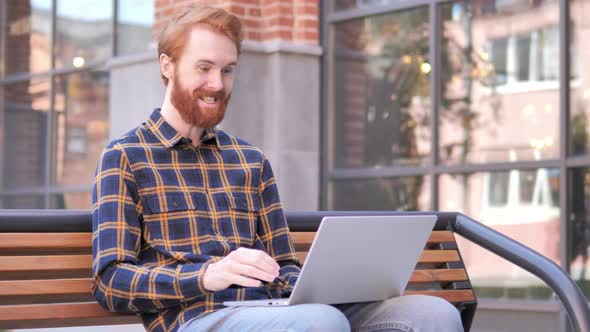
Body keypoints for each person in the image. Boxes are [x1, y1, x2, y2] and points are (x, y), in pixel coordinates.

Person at [92, 4, 463, 332]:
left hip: (273, 310)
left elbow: (285, 262)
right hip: (195, 317)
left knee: (433, 313)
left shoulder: (250, 160)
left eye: (227, 70)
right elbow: (111, 282)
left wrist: (319, 282)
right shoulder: (125, 156)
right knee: (322, 323)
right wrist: (206, 275)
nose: (217, 84)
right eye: (204, 68)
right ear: (167, 66)